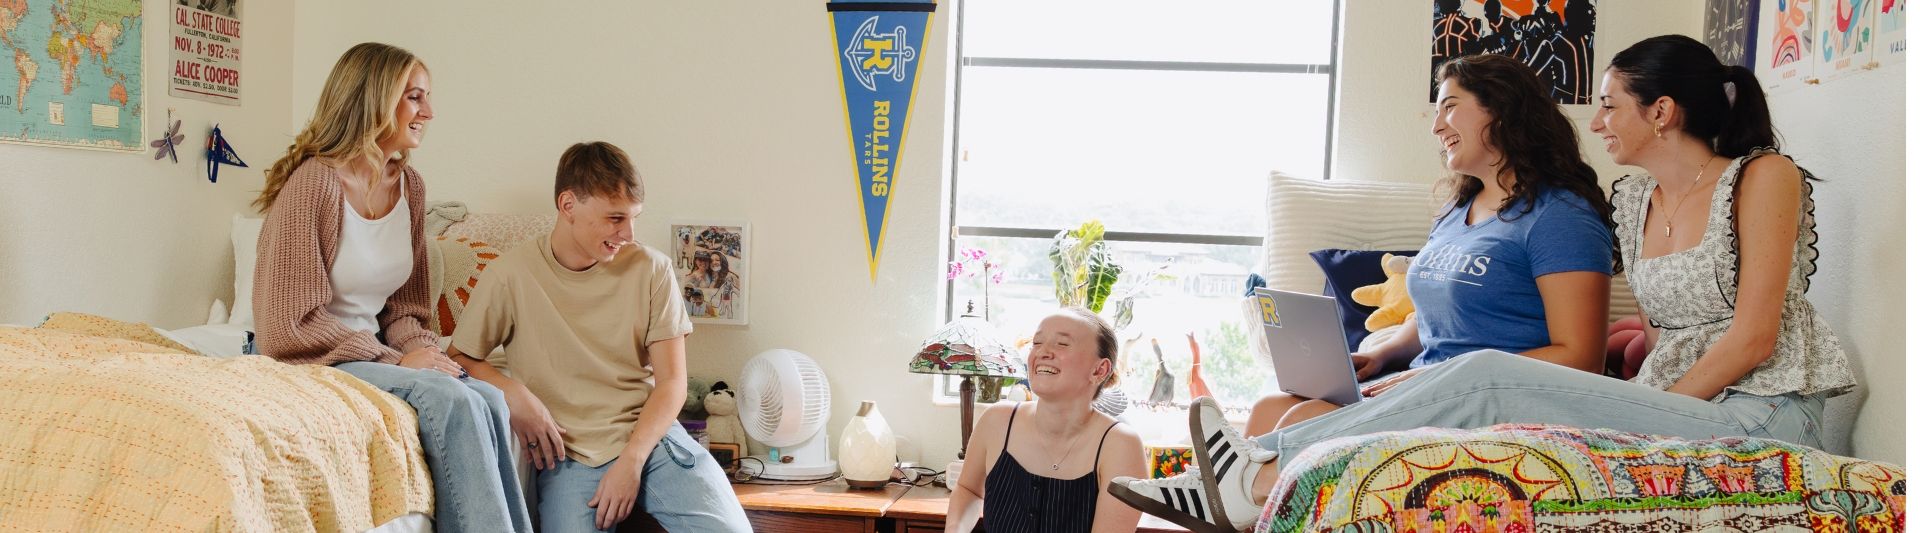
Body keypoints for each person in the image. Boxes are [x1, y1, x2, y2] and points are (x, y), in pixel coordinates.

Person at [1108, 35, 1855, 533]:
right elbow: (1670, 321)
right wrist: (1640, 351)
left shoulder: (1762, 176)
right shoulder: (1636, 199)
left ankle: (1250, 474)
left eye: (1609, 104)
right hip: (1675, 395)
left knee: (1483, 373)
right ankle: (1243, 475)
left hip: (1760, 414)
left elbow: (1754, 333)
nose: (1596, 120)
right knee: (1418, 382)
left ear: (1661, 112)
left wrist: (1642, 403)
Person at [1244, 52, 1616, 436]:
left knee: (1302, 421)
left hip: (1489, 403)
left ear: (1502, 110)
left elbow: (1581, 358)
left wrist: (1447, 378)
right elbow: (1435, 317)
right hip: (1429, 386)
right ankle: (1208, 494)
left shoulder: (1560, 216)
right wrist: (1379, 355)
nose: (1437, 126)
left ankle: (1233, 489)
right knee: (1269, 410)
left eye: (1450, 108)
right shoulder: (1458, 210)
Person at [251, 42, 530, 533]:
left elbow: (406, 310)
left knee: (489, 399)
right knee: (453, 402)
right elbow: (286, 327)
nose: (429, 112)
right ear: (376, 101)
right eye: (415, 97)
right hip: (314, 357)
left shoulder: (411, 186)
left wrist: (425, 353)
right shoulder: (314, 185)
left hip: (373, 352)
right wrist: (397, 362)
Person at [449, 141, 751, 532]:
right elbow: (459, 357)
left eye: (633, 218)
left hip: (651, 440)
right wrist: (514, 392)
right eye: (615, 218)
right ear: (568, 205)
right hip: (570, 456)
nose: (628, 232)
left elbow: (673, 383)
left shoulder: (651, 269)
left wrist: (631, 461)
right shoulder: (510, 275)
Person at [946, 308, 1149, 533]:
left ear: (1099, 370)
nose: (1043, 352)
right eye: (1037, 342)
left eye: (1062, 344)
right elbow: (969, 490)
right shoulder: (996, 420)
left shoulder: (1120, 445)